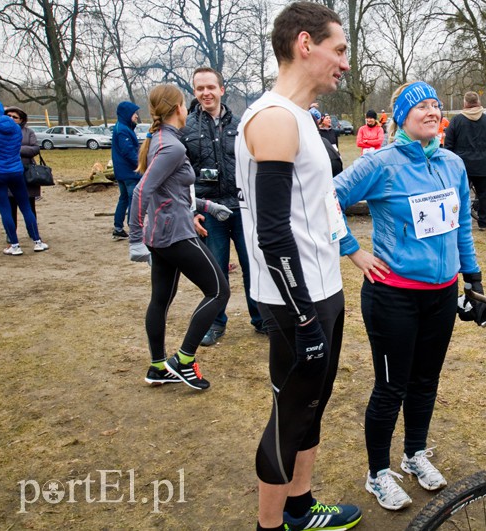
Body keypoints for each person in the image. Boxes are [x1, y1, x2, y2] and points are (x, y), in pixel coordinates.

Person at [233, 3, 361, 530]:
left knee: (312, 405)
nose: (345, 63)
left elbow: (318, 205)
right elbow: (271, 234)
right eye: (340, 49)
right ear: (304, 44)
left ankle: (301, 507)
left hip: (322, 289)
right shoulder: (274, 119)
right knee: (289, 416)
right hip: (294, 302)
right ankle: (270, 526)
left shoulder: (302, 118)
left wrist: (349, 253)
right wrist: (304, 314)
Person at [334, 80, 486, 512]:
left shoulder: (453, 164)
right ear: (400, 116)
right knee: (391, 387)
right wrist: (353, 250)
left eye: (437, 104)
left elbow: (460, 227)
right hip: (393, 297)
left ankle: (414, 454)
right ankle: (378, 474)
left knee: (426, 381)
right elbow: (326, 197)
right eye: (421, 105)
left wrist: (472, 277)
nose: (432, 110)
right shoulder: (380, 163)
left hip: (440, 295)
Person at [129, 84, 230, 391]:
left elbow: (173, 192)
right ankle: (183, 361)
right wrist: (134, 238)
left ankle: (158, 366)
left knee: (160, 299)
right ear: (177, 109)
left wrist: (209, 206)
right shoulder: (172, 146)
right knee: (218, 292)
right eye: (185, 104)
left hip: (161, 235)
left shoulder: (160, 139)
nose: (188, 109)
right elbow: (141, 190)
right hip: (175, 235)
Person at [180, 66, 265, 346]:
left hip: (241, 210)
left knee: (252, 265)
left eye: (210, 87)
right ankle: (215, 323)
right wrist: (192, 212)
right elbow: (181, 176)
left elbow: (253, 166)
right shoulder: (187, 128)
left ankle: (261, 318)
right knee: (215, 271)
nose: (206, 93)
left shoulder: (242, 124)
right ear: (194, 92)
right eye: (200, 88)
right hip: (208, 212)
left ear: (221, 89)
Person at [0, 100, 48, 255]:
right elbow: (17, 149)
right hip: (16, 171)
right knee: (26, 206)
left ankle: (14, 245)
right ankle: (37, 241)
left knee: (5, 210)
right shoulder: (17, 129)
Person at [444, 90, 486, 231]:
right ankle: (484, 222)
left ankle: (459, 220)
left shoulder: (457, 121)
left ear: (465, 103)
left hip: (462, 164)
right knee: (484, 193)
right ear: (478, 102)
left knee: (460, 193)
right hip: (483, 163)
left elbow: (448, 144)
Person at [5, 106, 41, 231]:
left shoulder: (28, 132)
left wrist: (17, 149)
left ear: (21, 120)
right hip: (8, 172)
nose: (11, 118)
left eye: (14, 117)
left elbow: (35, 149)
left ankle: (33, 231)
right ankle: (11, 233)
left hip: (26, 172)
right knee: (10, 207)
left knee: (29, 206)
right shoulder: (0, 132)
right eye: (8, 116)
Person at [111, 101, 141, 241]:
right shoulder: (123, 130)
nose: (136, 116)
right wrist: (141, 165)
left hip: (122, 172)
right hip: (129, 173)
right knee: (133, 200)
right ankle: (134, 228)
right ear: (127, 114)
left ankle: (118, 227)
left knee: (123, 199)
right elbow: (128, 151)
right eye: (134, 113)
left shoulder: (122, 128)